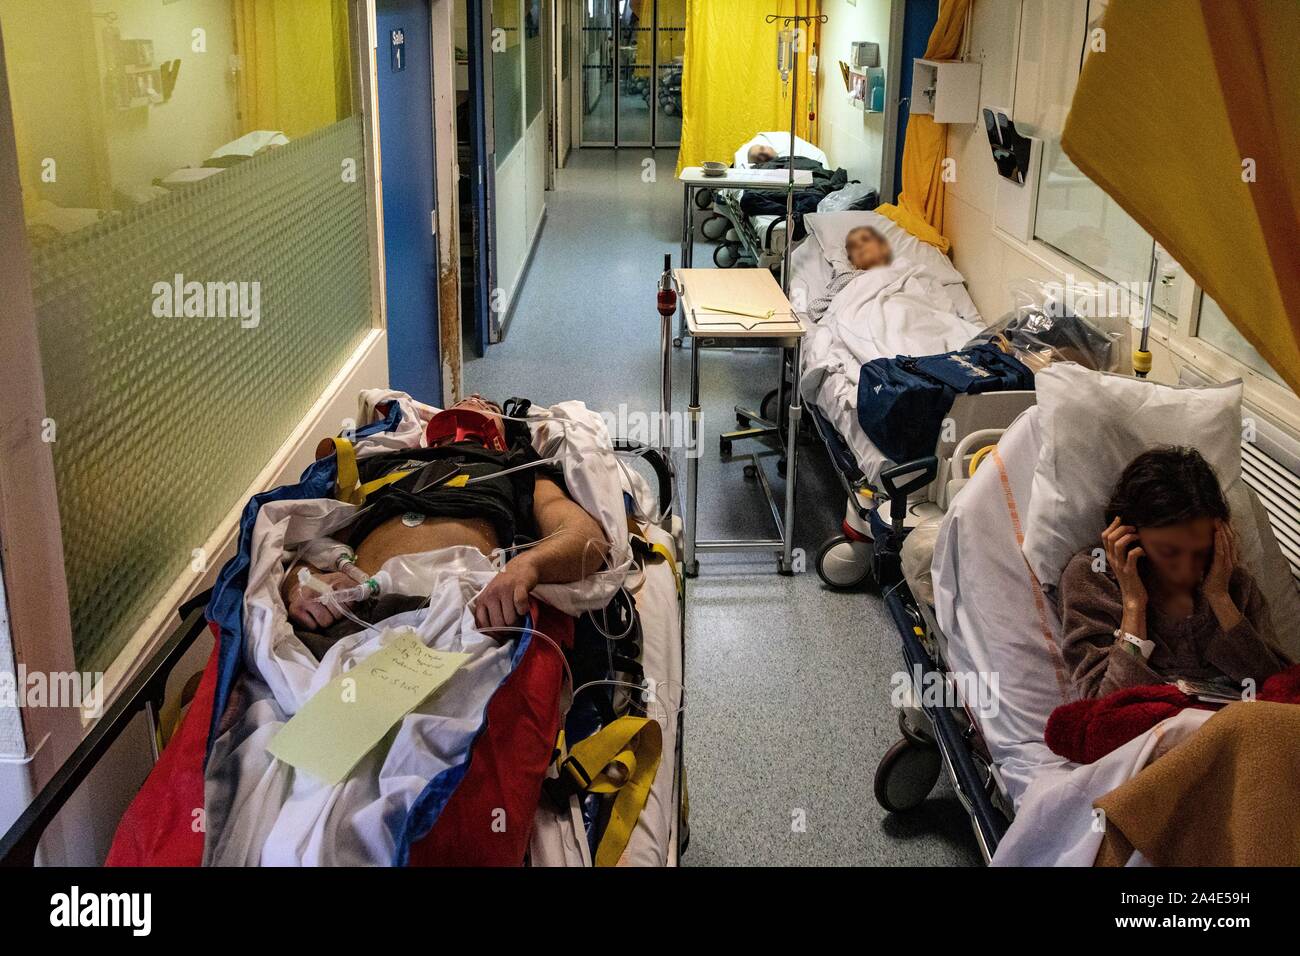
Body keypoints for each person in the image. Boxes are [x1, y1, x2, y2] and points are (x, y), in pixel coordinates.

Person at [282, 396, 608, 648]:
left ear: (503, 436)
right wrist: (302, 585)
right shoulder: (382, 465)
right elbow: (304, 550)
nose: (475, 397)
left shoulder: (516, 469)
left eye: (487, 404)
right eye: (464, 399)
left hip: (460, 621)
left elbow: (586, 539)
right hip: (354, 617)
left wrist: (528, 567)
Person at [1059, 446, 1289, 699]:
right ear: (1130, 537)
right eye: (1169, 552)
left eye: (1199, 550)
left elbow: (1276, 691)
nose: (1186, 568)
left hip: (1232, 725)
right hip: (1153, 731)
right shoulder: (1094, 580)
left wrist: (1220, 598)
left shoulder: (1231, 582)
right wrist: (1134, 605)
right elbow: (1103, 706)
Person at [806, 226, 893, 322]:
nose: (860, 246)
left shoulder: (903, 270)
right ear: (852, 261)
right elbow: (816, 309)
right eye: (854, 246)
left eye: (865, 239)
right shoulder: (848, 277)